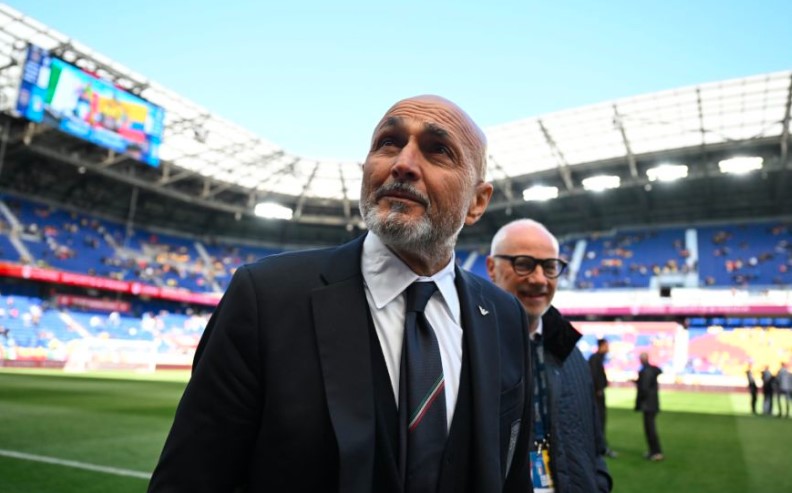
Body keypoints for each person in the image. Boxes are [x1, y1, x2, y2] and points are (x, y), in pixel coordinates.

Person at [148, 96, 535, 493]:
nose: (403, 163)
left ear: (477, 202)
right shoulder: (266, 298)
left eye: (438, 150)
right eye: (388, 142)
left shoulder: (504, 315)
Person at [487, 219, 612, 493]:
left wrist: (599, 483)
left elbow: (594, 446)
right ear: (492, 268)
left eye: (550, 267)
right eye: (523, 264)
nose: (539, 279)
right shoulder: (465, 352)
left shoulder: (572, 355)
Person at [589, 338, 617, 457]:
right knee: (599, 420)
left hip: (598, 395)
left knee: (600, 420)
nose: (608, 348)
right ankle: (600, 447)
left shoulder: (597, 358)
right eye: (606, 345)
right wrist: (599, 389)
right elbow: (594, 376)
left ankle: (601, 446)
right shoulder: (595, 359)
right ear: (601, 346)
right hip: (597, 397)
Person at [635, 352, 663, 461]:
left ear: (641, 360)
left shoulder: (645, 371)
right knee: (649, 429)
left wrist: (640, 400)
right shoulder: (651, 370)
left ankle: (656, 452)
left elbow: (644, 388)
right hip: (652, 403)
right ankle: (653, 451)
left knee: (650, 429)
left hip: (648, 404)